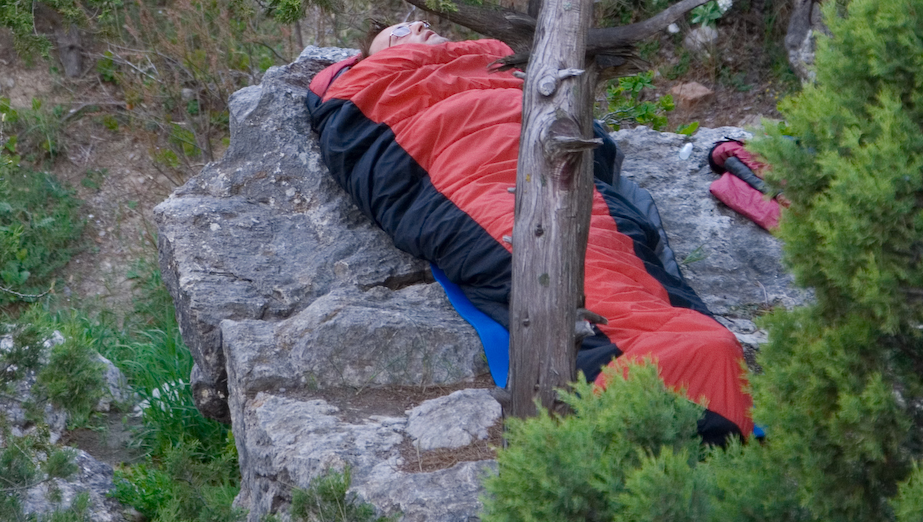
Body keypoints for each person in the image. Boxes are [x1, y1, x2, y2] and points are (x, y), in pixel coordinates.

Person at [307, 23, 752, 443]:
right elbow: (375, 160)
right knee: (553, 259)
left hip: (559, 171)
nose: (417, 28)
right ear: (367, 62)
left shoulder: (500, 62)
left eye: (420, 24)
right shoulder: (365, 91)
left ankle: (675, 366)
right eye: (398, 34)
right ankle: (627, 386)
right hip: (477, 186)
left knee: (623, 252)